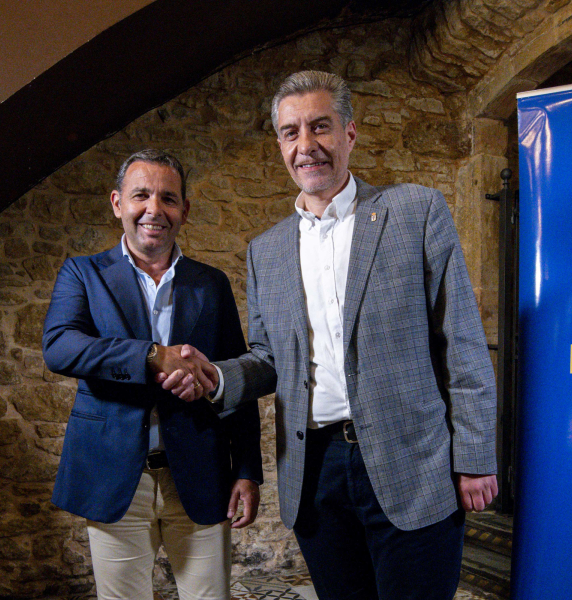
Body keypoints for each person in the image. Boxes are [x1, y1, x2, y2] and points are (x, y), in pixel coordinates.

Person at [164, 71, 498, 600]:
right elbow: (270, 357)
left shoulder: (414, 211)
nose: (306, 146)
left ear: (350, 133)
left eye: (320, 127)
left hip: (414, 461)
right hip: (315, 470)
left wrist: (476, 457)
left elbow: (460, 339)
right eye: (291, 132)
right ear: (279, 144)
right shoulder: (266, 250)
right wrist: (219, 377)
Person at [42, 149, 262, 600]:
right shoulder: (83, 273)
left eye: (168, 198)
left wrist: (247, 469)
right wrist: (150, 355)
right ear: (118, 203)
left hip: (201, 474)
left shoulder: (211, 283)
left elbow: (238, 379)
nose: (154, 209)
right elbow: (60, 346)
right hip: (115, 476)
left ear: (184, 210)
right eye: (141, 195)